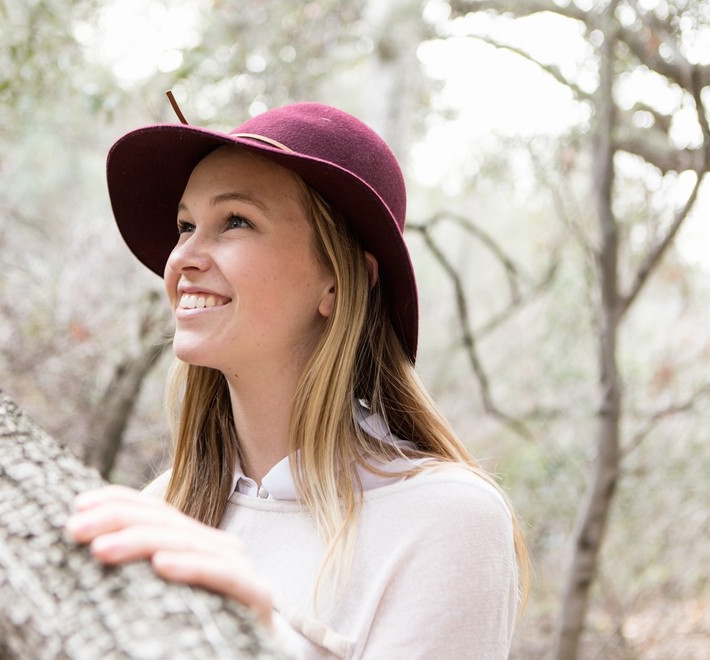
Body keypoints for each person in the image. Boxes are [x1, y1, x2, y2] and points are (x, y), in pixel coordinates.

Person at [65, 99, 529, 658]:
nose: (183, 257)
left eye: (235, 221)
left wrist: (263, 634)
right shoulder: (162, 510)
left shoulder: (445, 520)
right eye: (185, 225)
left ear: (337, 278)